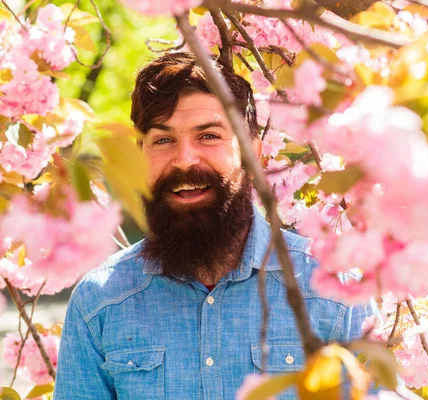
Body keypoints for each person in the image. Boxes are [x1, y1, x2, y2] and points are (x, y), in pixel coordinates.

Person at [53, 52, 370, 400]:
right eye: (163, 140)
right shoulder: (99, 303)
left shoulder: (336, 293)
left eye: (208, 136)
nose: (185, 159)